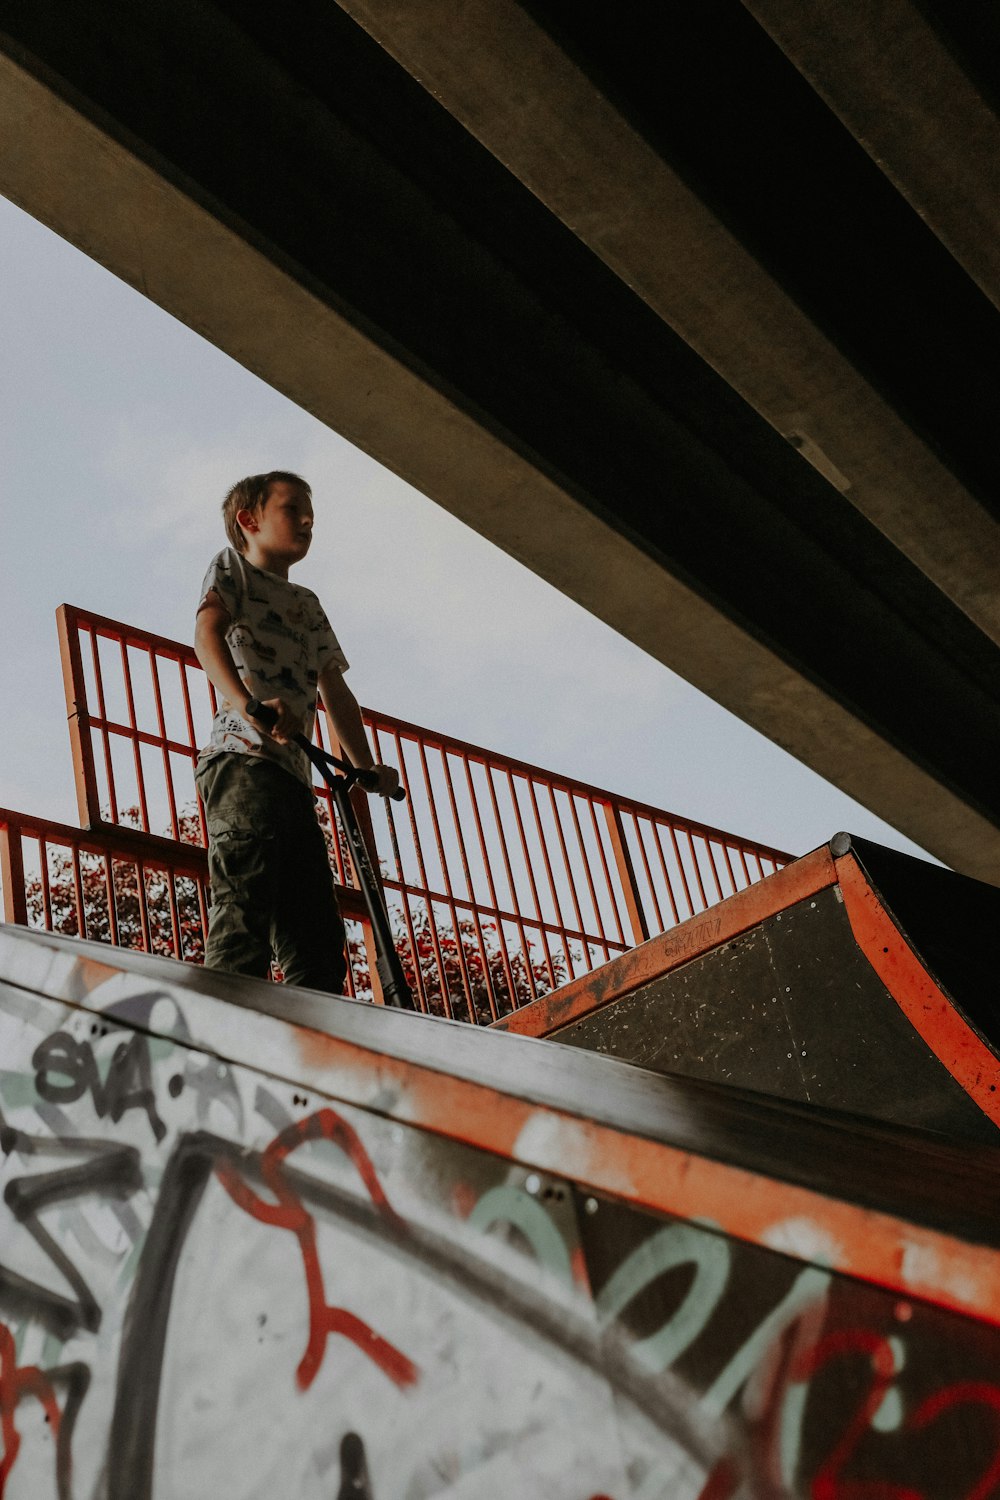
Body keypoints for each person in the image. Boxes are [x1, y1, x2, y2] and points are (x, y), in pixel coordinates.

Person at [193, 469, 399, 993]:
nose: (308, 520)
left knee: (318, 946)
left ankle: (312, 1057)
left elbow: (335, 692)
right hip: (242, 764)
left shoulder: (306, 604)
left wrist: (364, 768)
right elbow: (206, 634)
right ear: (249, 519)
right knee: (245, 915)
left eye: (311, 513)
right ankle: (220, 1043)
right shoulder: (231, 567)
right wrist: (248, 703)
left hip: (293, 780)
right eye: (292, 509)